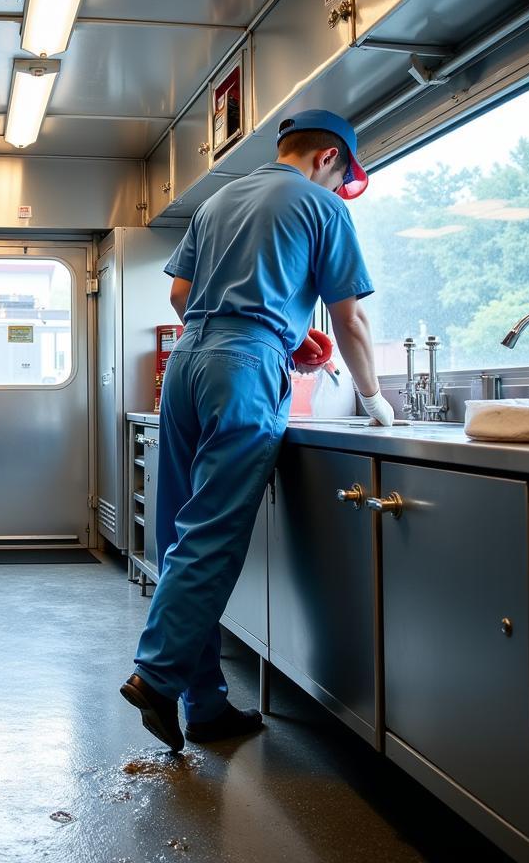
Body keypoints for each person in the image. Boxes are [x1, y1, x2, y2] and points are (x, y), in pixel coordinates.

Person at [120, 109, 392, 751]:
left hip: (186, 366)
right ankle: (157, 675)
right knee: (212, 533)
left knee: (179, 530)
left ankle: (206, 704)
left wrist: (274, 336)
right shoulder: (322, 208)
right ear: (329, 159)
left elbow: (181, 295)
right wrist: (373, 397)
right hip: (241, 372)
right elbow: (351, 322)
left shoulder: (218, 200)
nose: (336, 190)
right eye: (340, 178)